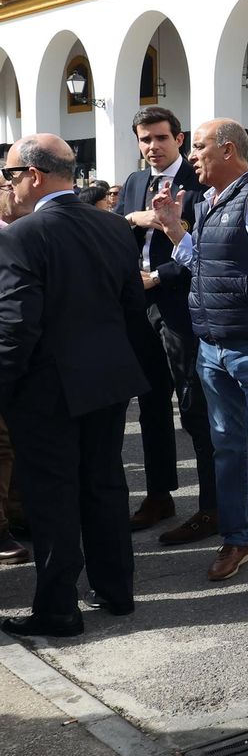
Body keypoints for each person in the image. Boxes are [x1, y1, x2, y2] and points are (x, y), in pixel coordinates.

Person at [0, 134, 150, 637]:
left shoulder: (22, 235)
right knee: (104, 485)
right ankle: (116, 590)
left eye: (10, 174)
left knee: (53, 497)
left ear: (35, 176)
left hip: (47, 391)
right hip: (107, 382)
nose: (9, 185)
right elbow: (132, 308)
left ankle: (59, 608)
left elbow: (17, 325)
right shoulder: (112, 226)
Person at [148, 118, 248, 582]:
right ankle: (237, 540)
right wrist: (176, 231)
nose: (192, 155)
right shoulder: (211, 201)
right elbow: (205, 264)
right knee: (227, 450)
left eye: (199, 147)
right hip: (213, 348)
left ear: (227, 151)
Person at [117, 105, 219, 546]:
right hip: (139, 308)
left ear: (179, 139)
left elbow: (206, 251)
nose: (152, 147)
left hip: (180, 307)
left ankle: (212, 506)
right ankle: (159, 495)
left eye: (160, 138)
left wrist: (159, 276)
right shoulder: (137, 183)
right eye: (145, 139)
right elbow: (117, 230)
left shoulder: (199, 182)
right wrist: (132, 218)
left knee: (194, 406)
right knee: (151, 403)